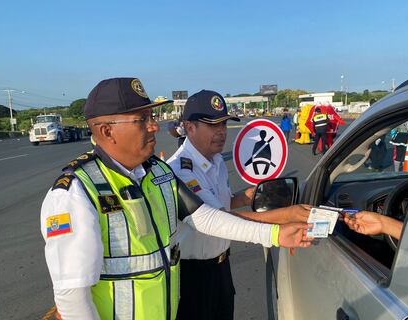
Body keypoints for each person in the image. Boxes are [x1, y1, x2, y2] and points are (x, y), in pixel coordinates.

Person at [40, 78, 312, 320]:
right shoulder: (76, 193)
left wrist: (277, 235)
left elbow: (205, 218)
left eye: (152, 116)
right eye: (142, 119)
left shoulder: (158, 173)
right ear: (106, 131)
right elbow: (71, 296)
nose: (154, 126)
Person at [167, 90, 312, 320]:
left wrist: (244, 198)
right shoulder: (181, 170)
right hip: (193, 276)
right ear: (190, 127)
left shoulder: (215, 160)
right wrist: (282, 221)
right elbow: (216, 218)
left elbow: (223, 201)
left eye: (224, 124)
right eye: (213, 125)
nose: (222, 132)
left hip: (221, 268)